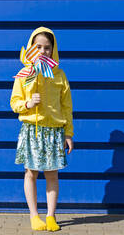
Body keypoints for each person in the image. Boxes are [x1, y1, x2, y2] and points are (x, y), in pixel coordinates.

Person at [10, 27, 74, 232]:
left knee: (52, 175)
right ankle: (34, 215)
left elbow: (67, 106)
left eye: (47, 48)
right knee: (31, 173)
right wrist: (28, 103)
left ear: (53, 50)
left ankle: (51, 216)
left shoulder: (59, 75)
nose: (43, 51)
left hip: (54, 130)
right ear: (31, 48)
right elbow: (14, 102)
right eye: (38, 47)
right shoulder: (25, 74)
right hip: (32, 129)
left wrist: (68, 133)